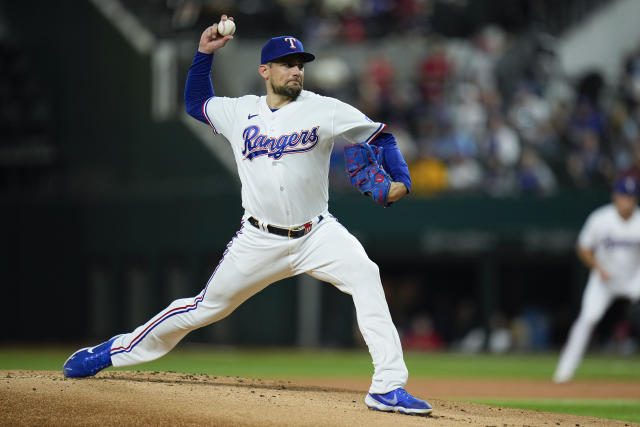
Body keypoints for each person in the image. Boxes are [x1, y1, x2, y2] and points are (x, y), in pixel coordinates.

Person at [62, 15, 432, 416]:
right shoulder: (241, 112)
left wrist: (402, 179)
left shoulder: (325, 109)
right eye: (287, 63)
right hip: (258, 239)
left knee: (366, 273)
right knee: (203, 308)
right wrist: (204, 54)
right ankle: (114, 351)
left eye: (300, 64)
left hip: (317, 233)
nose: (295, 70)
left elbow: (381, 135)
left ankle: (388, 387)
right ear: (265, 70)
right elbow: (195, 103)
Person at [553, 175, 640, 383]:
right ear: (615, 197)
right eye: (623, 196)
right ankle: (563, 372)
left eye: (631, 197)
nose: (627, 200)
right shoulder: (600, 218)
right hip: (604, 278)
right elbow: (583, 247)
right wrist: (597, 267)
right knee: (588, 319)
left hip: (633, 278)